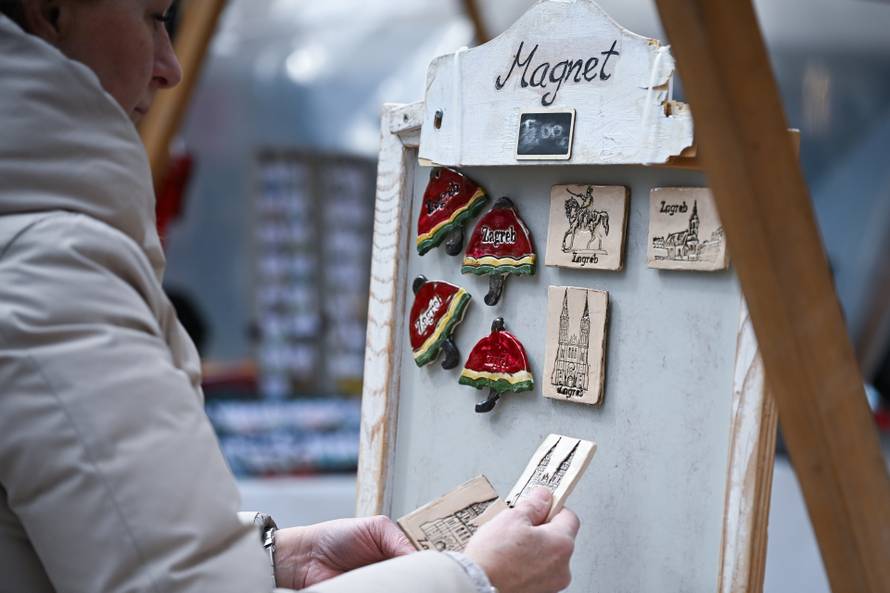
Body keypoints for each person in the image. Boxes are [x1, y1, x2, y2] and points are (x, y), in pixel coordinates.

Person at [0, 2, 581, 593]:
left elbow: (96, 538)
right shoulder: (52, 264)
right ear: (50, 12)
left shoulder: (39, 242)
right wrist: (474, 578)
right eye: (154, 17)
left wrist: (267, 558)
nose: (169, 66)